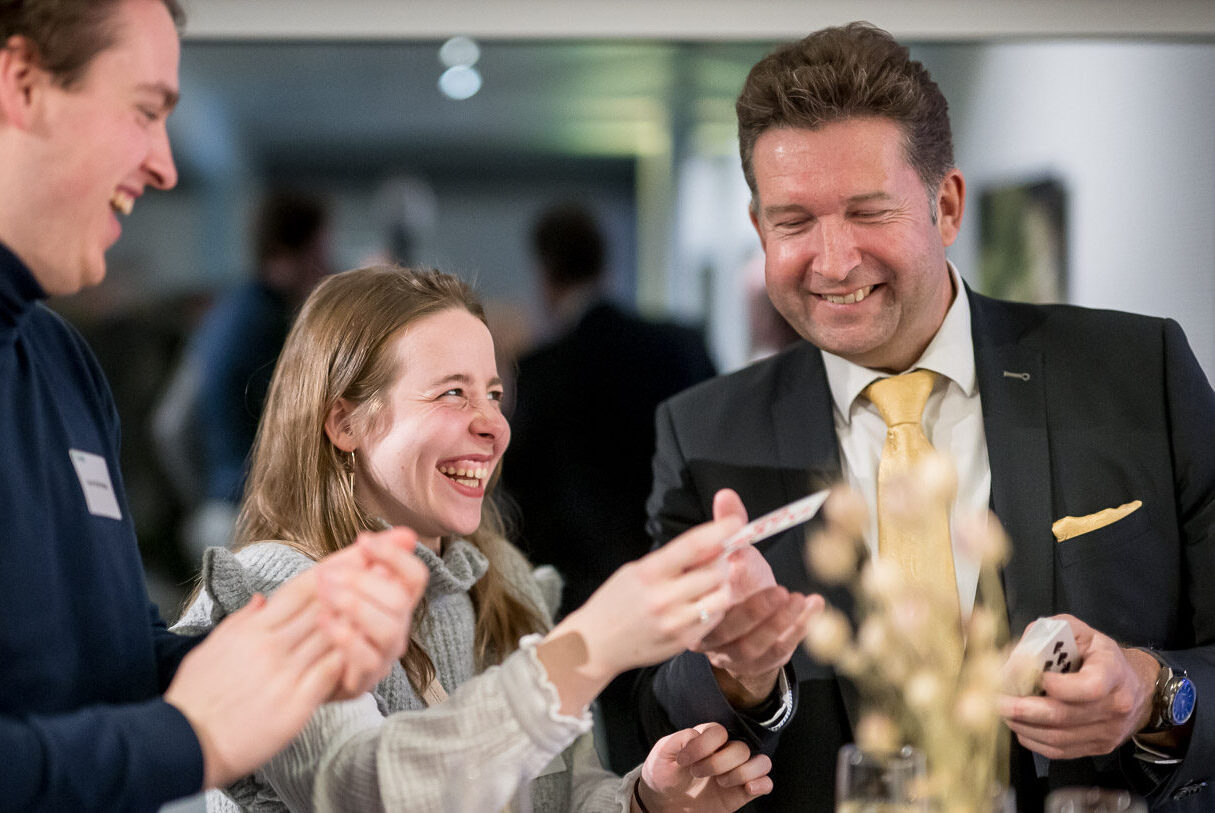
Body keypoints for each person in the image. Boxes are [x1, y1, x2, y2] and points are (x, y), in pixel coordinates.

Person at [636, 22, 1215, 811]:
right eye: (793, 222)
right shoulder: (703, 434)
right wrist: (738, 674)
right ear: (757, 227)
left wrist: (1154, 693)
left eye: (867, 212)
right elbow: (653, 712)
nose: (833, 261)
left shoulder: (1134, 372)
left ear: (944, 205)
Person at [0, 2, 428, 810]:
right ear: (22, 84)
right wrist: (189, 738)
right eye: (145, 110)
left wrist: (287, 645)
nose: (162, 165)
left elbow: (119, 660)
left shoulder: (61, 364)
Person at [175, 265, 777, 812]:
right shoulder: (272, 591)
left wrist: (646, 801)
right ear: (345, 422)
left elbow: (562, 796)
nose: (494, 425)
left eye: (493, 393)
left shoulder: (503, 581)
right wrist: (585, 651)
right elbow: (368, 794)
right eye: (452, 393)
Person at [503, 202, 717, 771]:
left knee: (608, 766)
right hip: (688, 588)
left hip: (585, 600)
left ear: (545, 276)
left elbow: (521, 501)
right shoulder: (679, 346)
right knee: (697, 761)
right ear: (607, 266)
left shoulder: (542, 370)